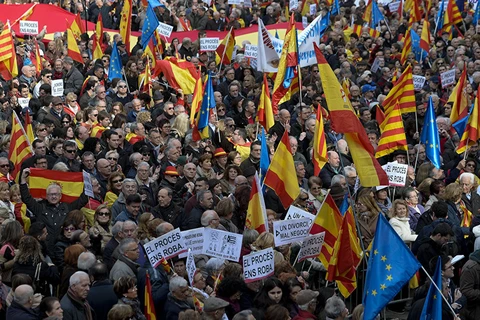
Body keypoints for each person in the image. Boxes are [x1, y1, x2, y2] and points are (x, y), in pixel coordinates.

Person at [20, 169, 88, 258]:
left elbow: (83, 200)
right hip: (45, 250)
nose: (53, 197)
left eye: (56, 194)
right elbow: (27, 199)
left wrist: (87, 182)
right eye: (51, 194)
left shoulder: (68, 208)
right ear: (46, 196)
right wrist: (23, 180)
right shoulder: (40, 208)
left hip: (64, 250)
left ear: (60, 196)